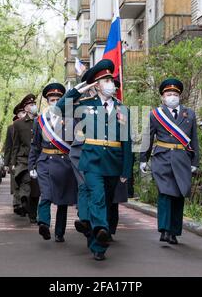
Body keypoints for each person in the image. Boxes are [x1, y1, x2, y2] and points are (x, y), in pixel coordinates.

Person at [56, 59, 133, 261]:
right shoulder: (85, 105)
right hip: (91, 161)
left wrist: (126, 170)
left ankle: (97, 244)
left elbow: (127, 141)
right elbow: (60, 108)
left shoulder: (122, 109)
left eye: (112, 80)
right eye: (106, 80)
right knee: (97, 197)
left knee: (106, 201)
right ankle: (100, 230)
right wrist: (79, 89)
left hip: (113, 162)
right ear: (96, 85)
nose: (111, 84)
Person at [140, 78, 199, 245]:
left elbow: (194, 140)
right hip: (162, 157)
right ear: (162, 97)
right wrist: (143, 159)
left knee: (179, 193)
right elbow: (147, 137)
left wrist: (195, 161)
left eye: (175, 94)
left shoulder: (190, 114)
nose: (172, 96)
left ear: (180, 96)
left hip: (182, 159)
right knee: (165, 192)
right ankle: (164, 229)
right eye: (168, 94)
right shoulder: (155, 114)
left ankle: (174, 231)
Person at [28, 83, 78, 242]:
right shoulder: (40, 121)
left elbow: (75, 143)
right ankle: (43, 223)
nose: (55, 102)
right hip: (45, 162)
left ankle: (59, 232)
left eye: (58, 99)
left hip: (64, 163)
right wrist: (31, 165)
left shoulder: (70, 119)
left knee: (62, 200)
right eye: (52, 99)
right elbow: (35, 145)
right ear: (47, 101)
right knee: (46, 195)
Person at [11, 94, 40, 223]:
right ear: (25, 108)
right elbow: (15, 145)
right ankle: (23, 200)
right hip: (23, 160)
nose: (33, 106)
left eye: (34, 104)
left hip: (38, 160)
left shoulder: (41, 121)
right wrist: (12, 162)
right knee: (26, 182)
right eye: (30, 105)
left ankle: (33, 215)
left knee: (36, 190)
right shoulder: (18, 124)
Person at [3, 106, 21, 214]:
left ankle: (25, 203)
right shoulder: (11, 128)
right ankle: (16, 203)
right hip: (14, 160)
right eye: (20, 112)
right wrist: (6, 163)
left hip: (25, 158)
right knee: (15, 182)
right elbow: (8, 146)